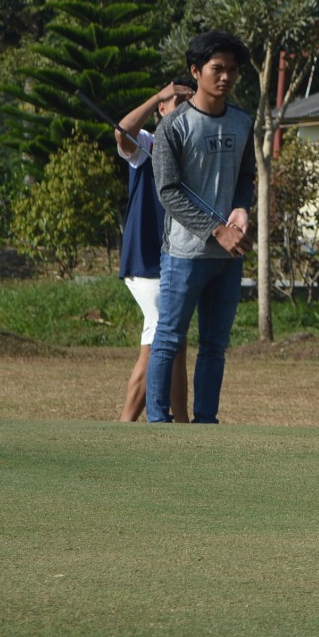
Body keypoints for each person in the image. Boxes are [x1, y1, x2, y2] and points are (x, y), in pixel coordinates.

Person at [146, 31, 257, 424]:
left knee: (214, 346)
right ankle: (157, 424)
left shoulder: (243, 121)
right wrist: (215, 230)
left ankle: (206, 424)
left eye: (233, 70)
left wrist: (241, 209)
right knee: (168, 339)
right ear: (196, 71)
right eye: (217, 69)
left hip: (228, 257)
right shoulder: (173, 126)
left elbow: (246, 176)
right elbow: (168, 193)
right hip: (184, 255)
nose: (226, 77)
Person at [116, 80, 194, 423]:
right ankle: (126, 424)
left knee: (176, 343)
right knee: (163, 333)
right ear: (161, 110)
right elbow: (122, 133)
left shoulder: (191, 148)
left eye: (189, 102)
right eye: (176, 102)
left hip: (175, 258)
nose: (183, 108)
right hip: (144, 259)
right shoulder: (148, 142)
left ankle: (182, 422)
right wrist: (158, 96)